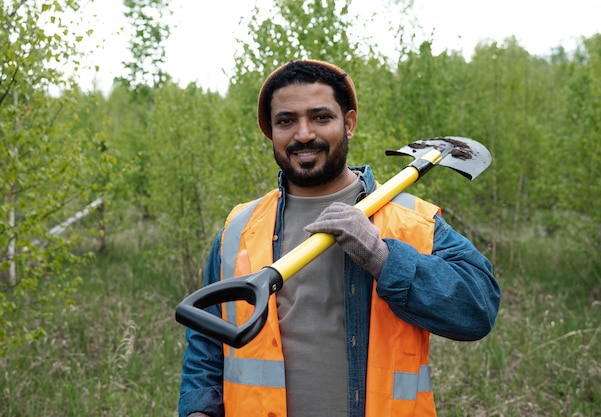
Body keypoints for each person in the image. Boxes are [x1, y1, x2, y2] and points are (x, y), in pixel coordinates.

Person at [178, 59, 500, 417]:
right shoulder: (239, 228)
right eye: (286, 121)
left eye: (320, 117)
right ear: (271, 130)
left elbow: (478, 308)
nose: (303, 134)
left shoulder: (410, 220)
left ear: (348, 124)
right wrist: (199, 411)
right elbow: (206, 344)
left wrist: (382, 257)